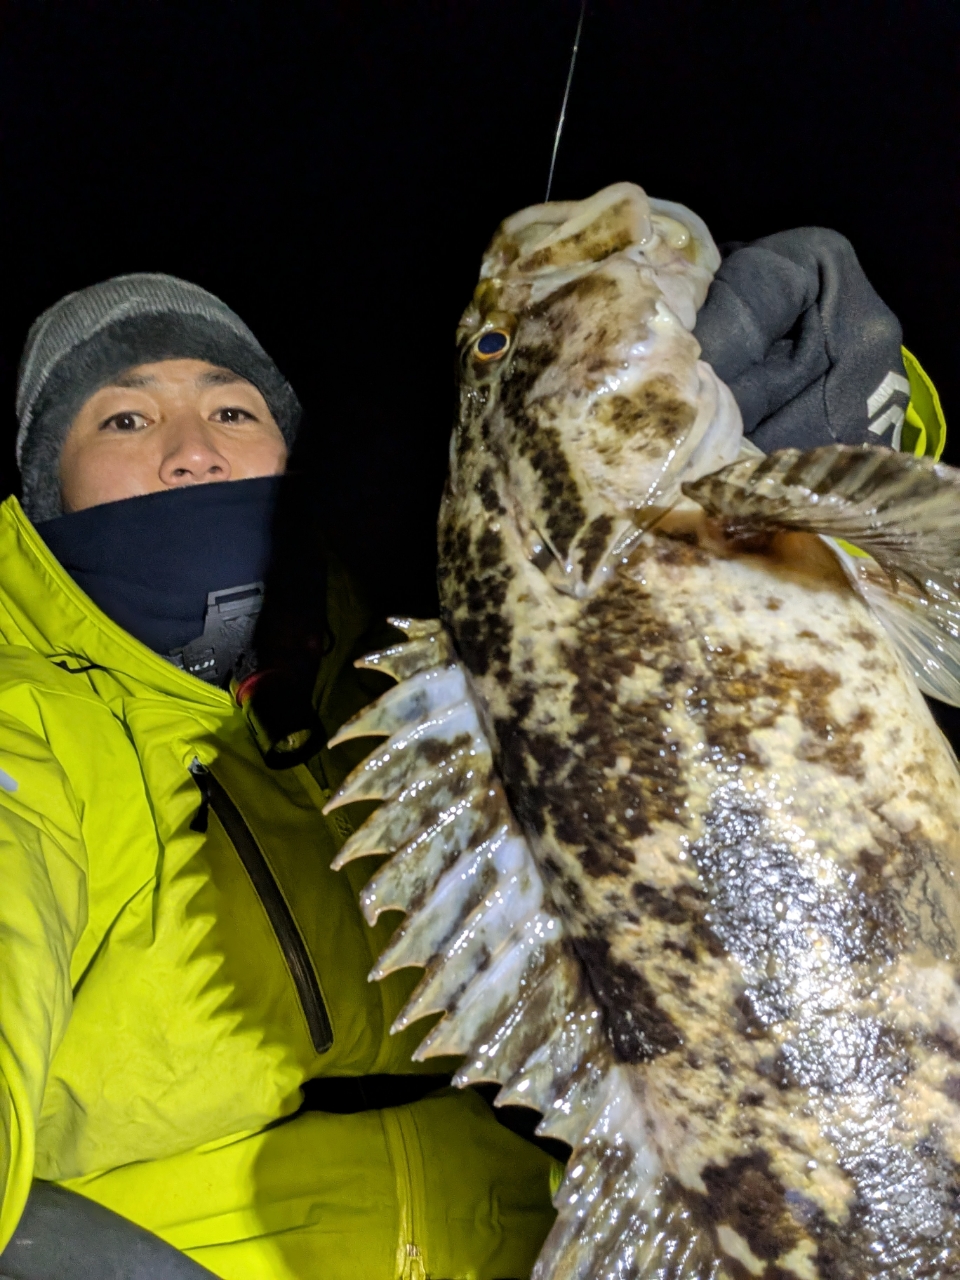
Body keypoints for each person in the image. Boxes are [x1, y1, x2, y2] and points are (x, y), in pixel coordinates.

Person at [0, 228, 946, 1279]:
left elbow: (818, 728)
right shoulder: (27, 736)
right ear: (46, 490)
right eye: (125, 417)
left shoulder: (391, 703)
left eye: (233, 409)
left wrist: (840, 452)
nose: (192, 448)